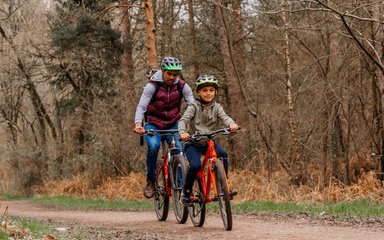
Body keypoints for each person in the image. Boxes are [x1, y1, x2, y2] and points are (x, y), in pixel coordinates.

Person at [134, 56, 194, 198]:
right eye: (169, 74)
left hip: (173, 123)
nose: (172, 77)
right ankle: (151, 180)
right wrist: (138, 124)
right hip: (153, 124)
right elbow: (142, 106)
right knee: (154, 147)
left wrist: (196, 121)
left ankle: (181, 185)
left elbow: (193, 105)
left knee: (179, 150)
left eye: (175, 74)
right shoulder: (152, 85)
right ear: (163, 71)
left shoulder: (182, 86)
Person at [178, 74, 239, 206]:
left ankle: (223, 186)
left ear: (215, 91)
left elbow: (225, 117)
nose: (208, 93)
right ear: (199, 92)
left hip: (209, 142)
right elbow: (183, 120)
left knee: (222, 155)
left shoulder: (217, 107)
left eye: (211, 90)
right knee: (195, 165)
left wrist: (231, 124)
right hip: (192, 143)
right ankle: (187, 192)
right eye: (204, 90)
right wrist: (182, 132)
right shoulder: (193, 106)